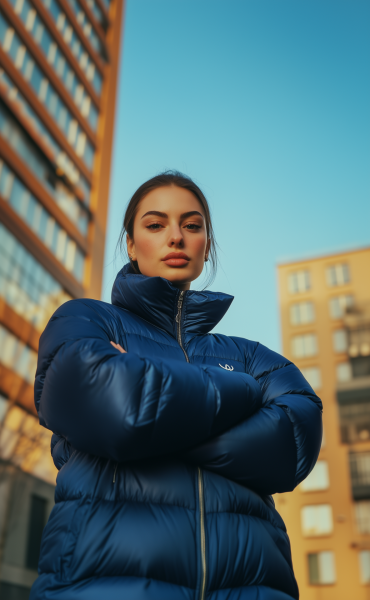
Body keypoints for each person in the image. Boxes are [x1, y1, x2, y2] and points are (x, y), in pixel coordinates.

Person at [30, 171, 322, 600]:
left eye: (191, 225)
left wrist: (158, 412)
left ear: (206, 244)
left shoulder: (249, 355)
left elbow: (294, 442)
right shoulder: (86, 320)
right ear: (131, 243)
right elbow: (116, 402)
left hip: (252, 587)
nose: (176, 237)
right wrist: (242, 392)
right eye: (155, 224)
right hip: (104, 585)